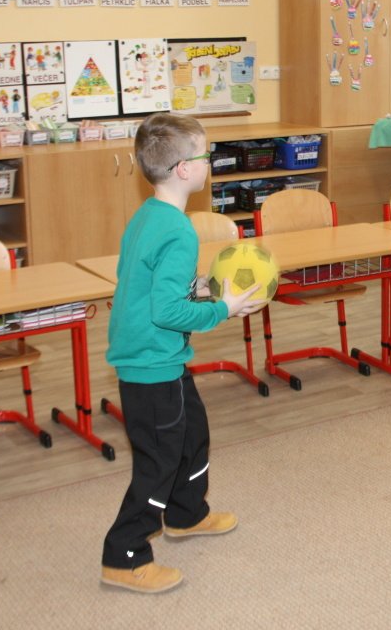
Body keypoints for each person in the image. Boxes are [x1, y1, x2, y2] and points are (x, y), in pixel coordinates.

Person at [101, 112, 264, 593]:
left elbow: (153, 284)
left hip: (157, 357)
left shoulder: (150, 216)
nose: (210, 162)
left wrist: (204, 288)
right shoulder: (178, 231)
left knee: (192, 433)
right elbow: (167, 311)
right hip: (151, 363)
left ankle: (186, 513)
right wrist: (223, 309)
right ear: (185, 169)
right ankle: (124, 555)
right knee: (159, 462)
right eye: (206, 154)